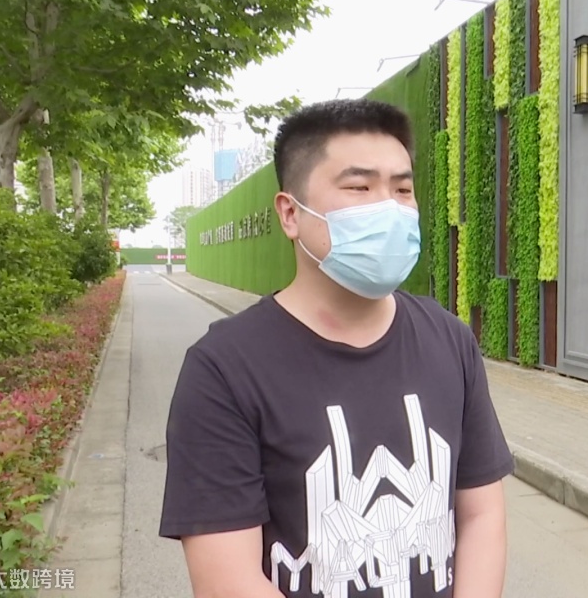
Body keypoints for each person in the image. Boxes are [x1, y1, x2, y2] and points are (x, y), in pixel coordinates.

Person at [158, 98, 515, 598]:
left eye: (402, 189)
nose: (388, 208)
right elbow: (227, 580)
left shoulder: (449, 339)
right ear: (290, 213)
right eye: (359, 187)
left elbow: (481, 515)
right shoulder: (223, 368)